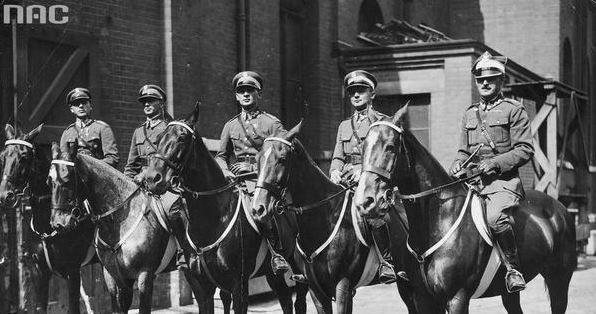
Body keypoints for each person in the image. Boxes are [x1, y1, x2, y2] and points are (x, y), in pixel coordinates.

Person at [450, 51, 534, 293]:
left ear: (501, 81)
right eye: (479, 79)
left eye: (491, 78)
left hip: (502, 183)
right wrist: (458, 162)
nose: (484, 83)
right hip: (472, 182)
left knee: (495, 218)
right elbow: (463, 151)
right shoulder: (469, 113)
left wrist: (496, 163)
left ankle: (513, 270)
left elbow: (525, 149)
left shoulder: (514, 110)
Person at [329, 70, 405, 284]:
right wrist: (335, 171)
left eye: (361, 91)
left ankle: (387, 263)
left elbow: (382, 157)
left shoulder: (383, 122)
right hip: (345, 184)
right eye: (352, 91)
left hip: (372, 182)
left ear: (372, 94)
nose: (356, 95)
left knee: (372, 214)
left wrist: (361, 171)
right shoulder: (344, 125)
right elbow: (337, 156)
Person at [214, 71, 292, 276]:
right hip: (235, 181)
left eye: (250, 90)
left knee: (263, 210)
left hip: (262, 180)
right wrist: (224, 170)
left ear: (259, 94)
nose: (246, 94)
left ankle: (277, 254)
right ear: (236, 96)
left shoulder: (271, 123)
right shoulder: (230, 125)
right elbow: (221, 155)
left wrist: (253, 168)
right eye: (241, 91)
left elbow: (283, 155)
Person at [124, 84, 172, 183]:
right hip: (141, 181)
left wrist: (145, 174)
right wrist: (126, 181)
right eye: (144, 102)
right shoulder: (139, 131)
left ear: (161, 104)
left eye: (150, 101)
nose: (146, 104)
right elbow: (131, 165)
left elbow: (169, 161)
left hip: (163, 181)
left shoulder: (169, 129)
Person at [60, 87, 119, 168]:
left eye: (84, 102)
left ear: (90, 105)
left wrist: (89, 166)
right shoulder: (67, 133)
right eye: (76, 103)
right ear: (72, 109)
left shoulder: (102, 128)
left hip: (97, 175)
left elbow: (112, 159)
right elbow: (63, 161)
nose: (81, 106)